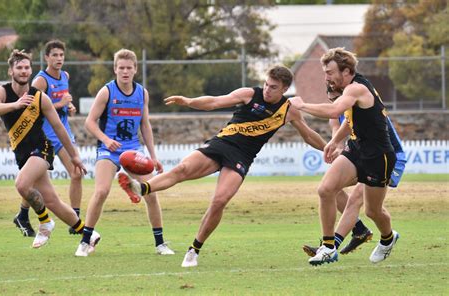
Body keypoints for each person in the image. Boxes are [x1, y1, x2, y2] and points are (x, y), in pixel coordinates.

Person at [117, 65, 327, 267]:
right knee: (182, 169)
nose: (267, 90)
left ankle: (194, 249)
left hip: (242, 157)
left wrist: (329, 148)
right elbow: (214, 102)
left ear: (284, 89)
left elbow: (308, 135)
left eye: (273, 87)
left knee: (219, 200)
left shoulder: (289, 110)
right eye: (265, 84)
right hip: (221, 144)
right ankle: (141, 188)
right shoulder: (249, 94)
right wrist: (189, 101)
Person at [290, 47, 399, 265]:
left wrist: (302, 105)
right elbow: (350, 121)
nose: (327, 78)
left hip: (379, 157)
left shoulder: (356, 89)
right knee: (326, 189)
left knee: (372, 211)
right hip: (357, 149)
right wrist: (334, 140)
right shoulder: (349, 89)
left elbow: (334, 111)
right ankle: (329, 247)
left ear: (346, 71)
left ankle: (388, 238)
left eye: (330, 72)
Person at [0, 49, 99, 250]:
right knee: (52, 200)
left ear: (31, 71)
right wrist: (15, 105)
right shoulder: (1, 92)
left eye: (27, 67)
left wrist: (74, 156)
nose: (23, 71)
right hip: (22, 154)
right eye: (19, 67)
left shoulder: (40, 98)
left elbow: (59, 128)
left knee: (21, 185)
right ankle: (88, 234)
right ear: (11, 71)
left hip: (42, 148)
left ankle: (45, 222)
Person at [76, 48, 174, 257]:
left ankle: (160, 244)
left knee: (151, 192)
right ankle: (85, 242)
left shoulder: (142, 93)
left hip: (133, 150)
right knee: (101, 191)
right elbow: (89, 122)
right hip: (108, 150)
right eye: (121, 68)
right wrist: (105, 139)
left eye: (129, 68)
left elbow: (145, 126)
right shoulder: (107, 92)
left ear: (135, 70)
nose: (125, 72)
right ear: (115, 69)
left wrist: (153, 156)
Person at [302, 87, 406, 257]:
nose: (336, 104)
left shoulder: (362, 107)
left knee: (364, 205)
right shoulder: (336, 116)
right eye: (332, 100)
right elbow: (339, 135)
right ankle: (357, 231)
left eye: (338, 98)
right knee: (330, 189)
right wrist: (336, 147)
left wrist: (303, 105)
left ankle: (335, 245)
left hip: (390, 157)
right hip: (364, 156)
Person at [13, 40, 83, 236]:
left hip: (63, 131)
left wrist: (69, 107)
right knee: (36, 180)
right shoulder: (40, 81)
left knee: (77, 173)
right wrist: (60, 104)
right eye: (54, 55)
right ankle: (24, 214)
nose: (59, 59)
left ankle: (74, 218)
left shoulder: (65, 76)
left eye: (61, 55)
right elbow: (33, 109)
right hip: (47, 134)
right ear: (46, 58)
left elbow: (61, 103)